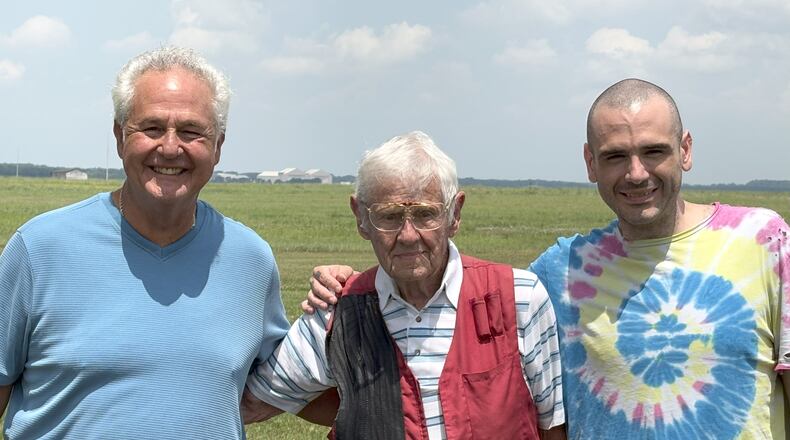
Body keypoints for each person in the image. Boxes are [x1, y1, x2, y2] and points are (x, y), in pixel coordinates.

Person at [306, 79, 790, 439]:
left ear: (685, 150)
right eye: (616, 156)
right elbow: (449, 292)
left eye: (654, 151)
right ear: (589, 163)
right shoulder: (559, 273)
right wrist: (351, 285)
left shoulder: (764, 240)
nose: (637, 173)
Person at [0, 47, 290, 439]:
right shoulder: (39, 250)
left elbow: (294, 381)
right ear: (120, 137)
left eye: (191, 131)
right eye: (151, 128)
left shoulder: (250, 259)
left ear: (218, 145)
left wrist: (342, 294)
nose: (170, 148)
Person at [245, 131, 566, 439]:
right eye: (389, 216)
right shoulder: (335, 312)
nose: (408, 235)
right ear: (361, 218)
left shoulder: (518, 297)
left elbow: (552, 426)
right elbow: (256, 400)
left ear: (455, 213)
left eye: (426, 214)